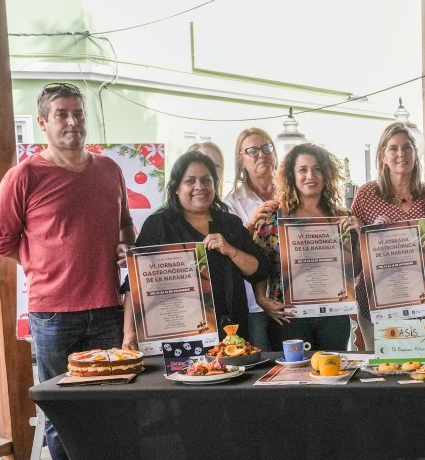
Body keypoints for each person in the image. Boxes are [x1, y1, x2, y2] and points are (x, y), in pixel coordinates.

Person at [0, 82, 134, 460]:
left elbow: (125, 229)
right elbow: (1, 240)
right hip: (52, 314)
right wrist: (43, 263)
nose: (71, 121)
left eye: (77, 113)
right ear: (44, 123)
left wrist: (124, 248)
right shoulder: (24, 176)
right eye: (61, 114)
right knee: (60, 411)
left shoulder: (109, 170)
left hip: (109, 307)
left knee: (110, 408)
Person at [124, 151, 268, 348]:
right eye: (190, 181)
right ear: (176, 187)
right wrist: (129, 332)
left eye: (206, 180)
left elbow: (258, 270)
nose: (199, 187)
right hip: (177, 336)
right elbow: (134, 283)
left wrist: (230, 250)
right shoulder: (159, 224)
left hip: (230, 334)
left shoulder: (229, 223)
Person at [352, 122, 425, 349]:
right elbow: (353, 251)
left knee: (421, 371)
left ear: (416, 154)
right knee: (382, 373)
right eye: (393, 148)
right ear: (382, 156)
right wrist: (367, 233)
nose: (401, 154)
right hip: (375, 302)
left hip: (424, 303)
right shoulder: (366, 194)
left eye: (408, 147)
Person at [254, 143, 359, 351]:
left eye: (317, 168)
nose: (310, 175)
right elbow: (259, 263)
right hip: (288, 317)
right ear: (292, 175)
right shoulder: (273, 218)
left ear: (326, 174)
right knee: (292, 378)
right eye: (303, 169)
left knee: (333, 374)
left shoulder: (341, 218)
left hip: (333, 316)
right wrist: (261, 298)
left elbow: (354, 271)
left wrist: (360, 236)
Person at [222, 128, 278, 350]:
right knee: (263, 361)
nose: (261, 155)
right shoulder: (231, 203)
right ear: (241, 159)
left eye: (266, 148)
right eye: (252, 150)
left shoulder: (293, 193)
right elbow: (229, 251)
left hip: (292, 298)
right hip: (254, 304)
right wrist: (251, 224)